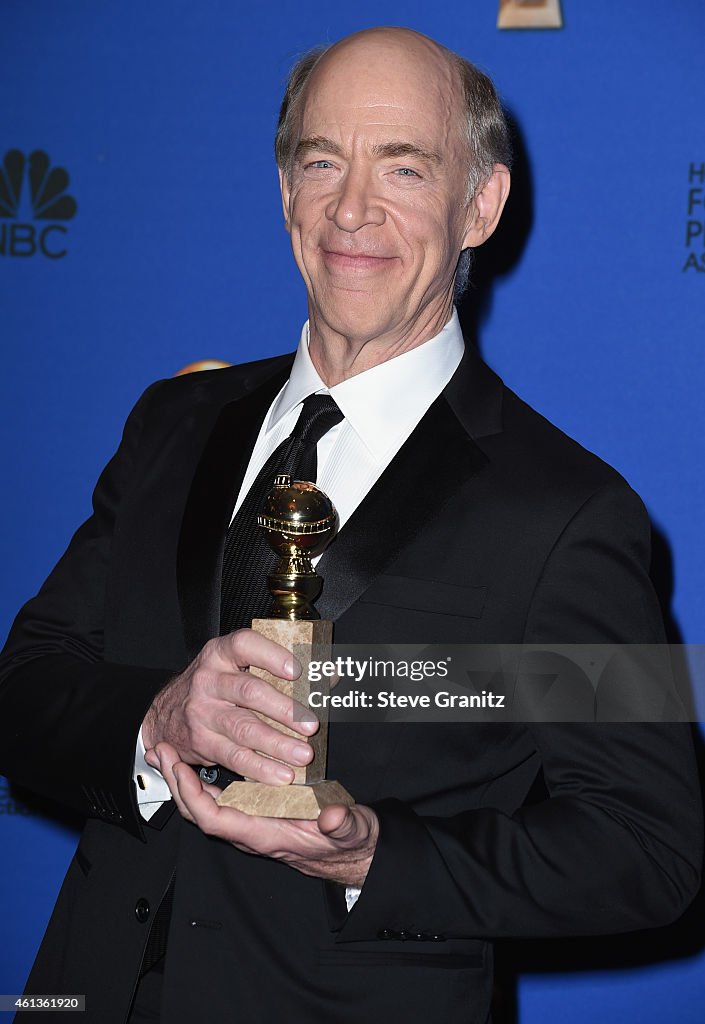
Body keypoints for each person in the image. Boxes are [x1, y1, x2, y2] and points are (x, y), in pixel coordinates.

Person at [0, 25, 701, 1024]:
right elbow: (26, 684)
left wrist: (378, 851)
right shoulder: (173, 424)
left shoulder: (570, 510)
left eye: (404, 166)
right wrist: (154, 720)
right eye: (321, 160)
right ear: (285, 189)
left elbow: (650, 845)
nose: (352, 208)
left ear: (481, 203)